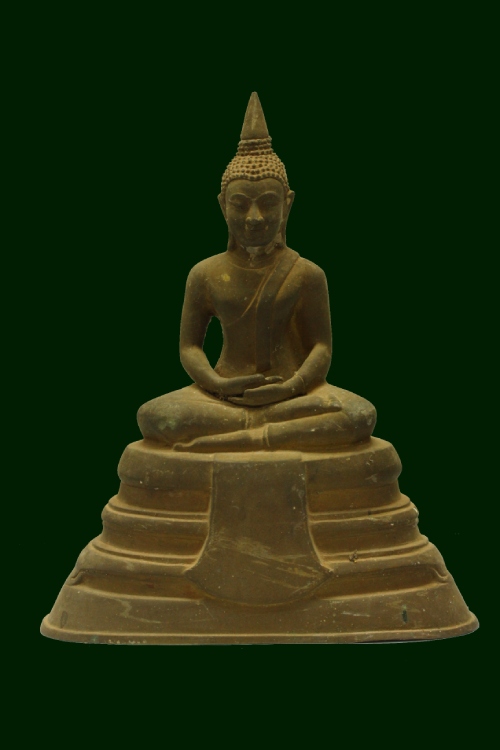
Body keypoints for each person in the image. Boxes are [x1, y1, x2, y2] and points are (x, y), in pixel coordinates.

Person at [138, 93, 376, 452]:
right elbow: (189, 347)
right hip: (223, 398)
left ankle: (249, 436)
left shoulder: (307, 274)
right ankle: (267, 432)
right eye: (240, 204)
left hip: (293, 397)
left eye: (268, 203)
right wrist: (218, 385)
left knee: (358, 415)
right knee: (154, 416)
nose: (254, 218)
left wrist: (291, 386)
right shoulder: (205, 273)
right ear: (223, 206)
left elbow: (322, 347)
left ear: (287, 204)